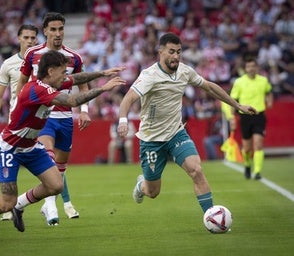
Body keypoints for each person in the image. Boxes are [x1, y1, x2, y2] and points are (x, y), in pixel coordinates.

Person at [0, 50, 126, 242]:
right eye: (63, 72)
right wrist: (104, 88)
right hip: (11, 148)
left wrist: (102, 73)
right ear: (51, 71)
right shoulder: (37, 90)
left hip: (31, 146)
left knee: (56, 185)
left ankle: (19, 205)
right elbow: (72, 100)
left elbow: (76, 78)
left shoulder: (51, 83)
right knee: (5, 203)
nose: (65, 76)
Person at [117, 33, 257, 214]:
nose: (176, 56)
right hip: (151, 139)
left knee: (196, 170)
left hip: (176, 133)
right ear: (160, 52)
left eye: (179, 52)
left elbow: (209, 86)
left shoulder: (185, 71)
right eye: (171, 52)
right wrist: (123, 120)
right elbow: (128, 99)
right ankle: (140, 185)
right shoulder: (149, 76)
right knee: (153, 192)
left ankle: (211, 215)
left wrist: (237, 105)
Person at [16, 12, 89, 226]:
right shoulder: (32, 53)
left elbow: (83, 85)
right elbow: (21, 82)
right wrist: (16, 108)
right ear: (45, 31)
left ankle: (45, 202)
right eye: (53, 29)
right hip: (42, 115)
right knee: (48, 156)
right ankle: (51, 206)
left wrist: (84, 110)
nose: (58, 34)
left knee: (60, 166)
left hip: (65, 117)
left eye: (61, 29)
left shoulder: (74, 57)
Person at [0, 24, 39, 221]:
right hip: (15, 125)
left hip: (38, 123)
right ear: (18, 39)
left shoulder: (42, 61)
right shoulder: (8, 64)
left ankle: (49, 207)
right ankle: (9, 205)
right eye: (26, 37)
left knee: (53, 164)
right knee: (12, 168)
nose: (30, 41)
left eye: (33, 38)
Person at [230, 57, 273, 180]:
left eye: (253, 66)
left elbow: (269, 92)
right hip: (245, 116)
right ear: (245, 68)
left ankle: (257, 172)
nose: (251, 69)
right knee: (247, 148)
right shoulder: (239, 82)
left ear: (256, 67)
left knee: (258, 144)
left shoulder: (263, 80)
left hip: (259, 115)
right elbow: (233, 101)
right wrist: (232, 117)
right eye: (248, 66)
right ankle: (248, 164)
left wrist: (269, 101)